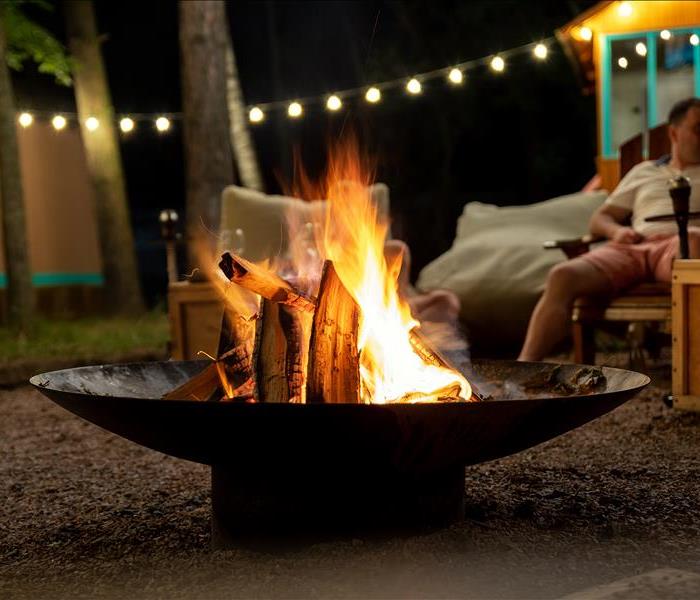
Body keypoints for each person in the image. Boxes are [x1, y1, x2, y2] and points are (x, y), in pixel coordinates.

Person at [519, 97, 700, 362]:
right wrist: (617, 232)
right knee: (562, 275)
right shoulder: (644, 172)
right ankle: (522, 370)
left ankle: (692, 373)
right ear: (674, 133)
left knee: (694, 242)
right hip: (633, 246)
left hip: (680, 246)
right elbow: (601, 218)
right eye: (698, 128)